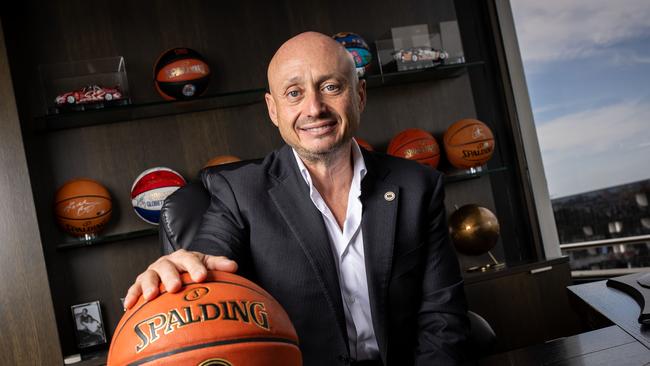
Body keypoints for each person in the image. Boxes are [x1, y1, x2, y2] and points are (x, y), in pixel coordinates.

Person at [125, 31, 469, 365]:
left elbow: (442, 318)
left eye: (331, 87)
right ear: (273, 110)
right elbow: (210, 261)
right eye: (294, 93)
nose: (314, 108)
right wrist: (182, 269)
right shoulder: (239, 192)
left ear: (360, 95)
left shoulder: (418, 186)